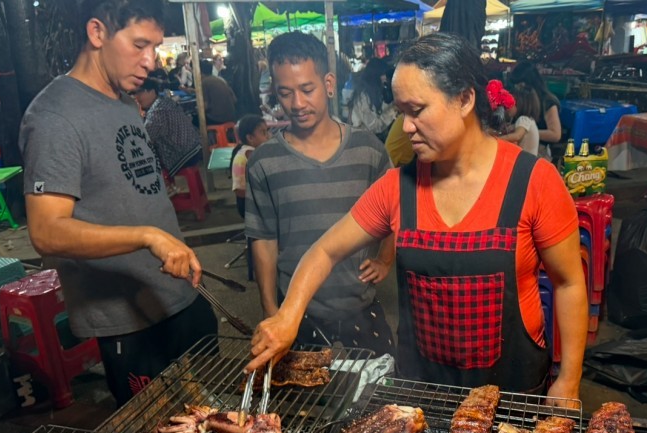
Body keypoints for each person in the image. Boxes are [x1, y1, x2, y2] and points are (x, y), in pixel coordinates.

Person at [246, 33, 588, 408]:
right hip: (424, 391)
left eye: (417, 110)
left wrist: (569, 379)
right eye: (400, 112)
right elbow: (324, 251)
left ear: (464, 99)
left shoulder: (534, 181)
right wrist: (288, 314)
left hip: (512, 389)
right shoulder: (398, 187)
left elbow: (569, 282)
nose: (405, 127)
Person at [19, 0, 217, 407]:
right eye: (140, 45)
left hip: (178, 295)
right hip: (129, 323)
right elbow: (46, 231)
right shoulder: (54, 116)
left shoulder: (123, 100)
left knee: (215, 422)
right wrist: (146, 236)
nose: (151, 61)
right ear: (97, 33)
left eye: (155, 46)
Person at [244, 31, 395, 356]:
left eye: (307, 89)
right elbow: (264, 243)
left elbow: (395, 212)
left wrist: (384, 259)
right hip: (298, 315)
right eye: (285, 93)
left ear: (328, 83)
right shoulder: (264, 162)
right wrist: (273, 311)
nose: (297, 104)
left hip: (361, 310)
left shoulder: (368, 150)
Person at [133, 78, 202, 177]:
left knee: (145, 162)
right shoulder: (164, 101)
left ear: (151, 91)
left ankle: (165, 190)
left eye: (139, 92)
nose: (136, 97)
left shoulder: (157, 110)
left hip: (185, 155)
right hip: (194, 148)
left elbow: (145, 138)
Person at [507, 62, 562, 158]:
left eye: (520, 84)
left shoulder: (547, 101)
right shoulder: (520, 98)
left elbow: (555, 134)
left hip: (539, 152)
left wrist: (529, 132)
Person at [349, 57, 397, 142]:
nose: (385, 78)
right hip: (362, 143)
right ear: (375, 76)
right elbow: (374, 127)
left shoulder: (376, 92)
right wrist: (393, 109)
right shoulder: (363, 97)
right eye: (383, 74)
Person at [499, 83, 541, 156]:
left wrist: (497, 140)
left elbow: (517, 136)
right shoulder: (529, 120)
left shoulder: (523, 119)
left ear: (519, 104)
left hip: (525, 164)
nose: (506, 107)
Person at [200, 58, 237, 125]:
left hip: (218, 119)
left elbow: (205, 106)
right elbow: (234, 99)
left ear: (200, 72)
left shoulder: (204, 82)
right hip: (232, 117)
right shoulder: (220, 79)